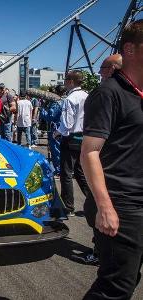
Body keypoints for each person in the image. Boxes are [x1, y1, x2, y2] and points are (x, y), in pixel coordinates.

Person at [81, 19, 143, 300]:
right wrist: (105, 207)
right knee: (116, 287)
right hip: (121, 202)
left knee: (127, 279)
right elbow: (90, 152)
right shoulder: (108, 93)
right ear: (130, 49)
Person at [78, 54, 123, 266]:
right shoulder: (107, 93)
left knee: (95, 209)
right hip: (114, 168)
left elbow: (90, 151)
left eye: (103, 67)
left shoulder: (106, 93)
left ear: (112, 69)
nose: (100, 72)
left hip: (112, 169)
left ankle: (100, 250)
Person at [53, 70, 90, 217]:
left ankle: (68, 206)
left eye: (66, 80)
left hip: (71, 138)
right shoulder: (87, 96)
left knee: (66, 173)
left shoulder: (70, 99)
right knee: (81, 172)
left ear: (71, 82)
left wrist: (57, 133)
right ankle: (92, 200)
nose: (64, 83)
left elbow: (67, 124)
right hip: (84, 137)